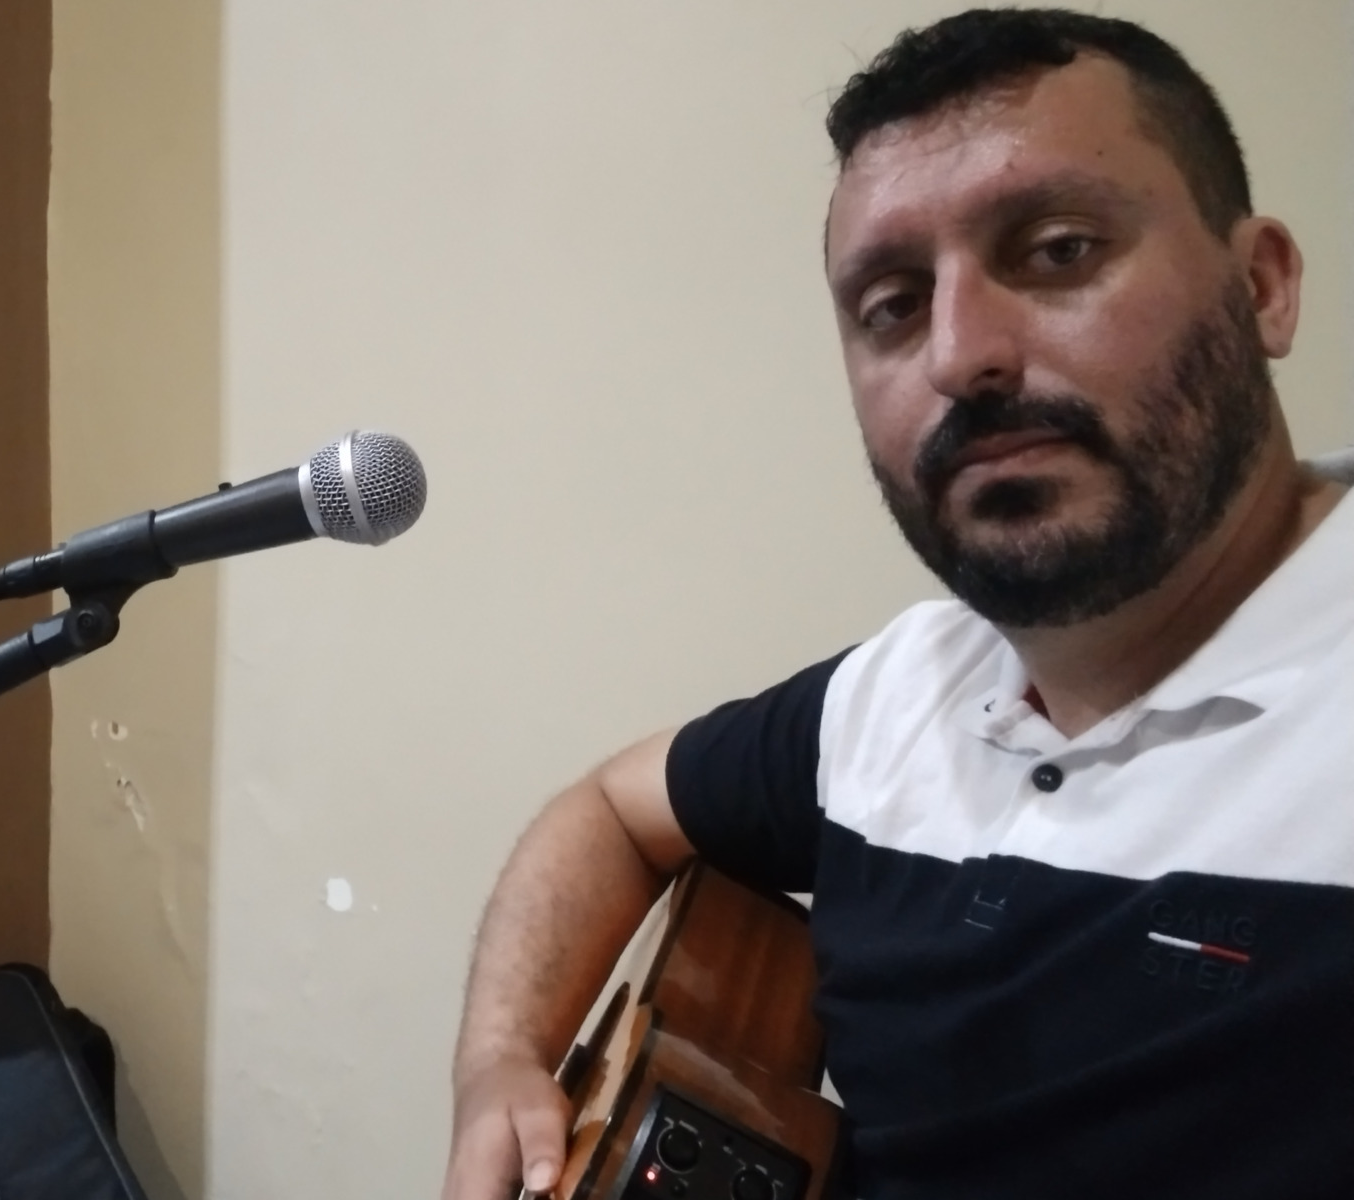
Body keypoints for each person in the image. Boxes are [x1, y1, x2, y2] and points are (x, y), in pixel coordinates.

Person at [441, 9, 1354, 1199]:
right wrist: (498, 1060)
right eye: (891, 304)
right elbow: (608, 812)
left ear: (1261, 287)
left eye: (1057, 250)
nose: (959, 355)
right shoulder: (889, 697)